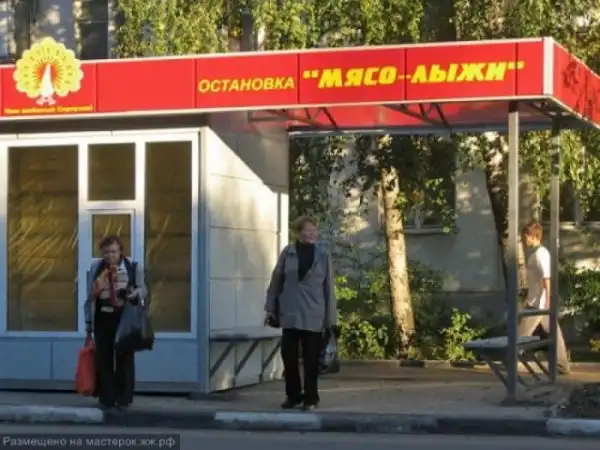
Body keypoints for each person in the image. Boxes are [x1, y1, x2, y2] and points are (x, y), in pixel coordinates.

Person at [264, 215, 337, 411]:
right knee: (289, 357)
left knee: (311, 359)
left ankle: (311, 398)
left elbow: (329, 288)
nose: (312, 233)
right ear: (299, 232)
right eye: (308, 230)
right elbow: (276, 281)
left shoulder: (323, 255)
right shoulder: (288, 253)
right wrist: (270, 308)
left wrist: (331, 319)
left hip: (314, 314)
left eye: (314, 230)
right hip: (290, 313)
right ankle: (293, 396)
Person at [84, 235, 147, 410]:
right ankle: (106, 398)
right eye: (106, 252)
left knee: (124, 358)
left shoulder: (133, 267)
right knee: (103, 358)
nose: (110, 255)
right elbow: (89, 296)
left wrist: (135, 294)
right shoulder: (97, 267)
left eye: (113, 252)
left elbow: (143, 289)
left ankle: (123, 399)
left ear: (120, 252)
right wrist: (88, 324)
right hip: (102, 317)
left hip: (123, 317)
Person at [520, 220, 570, 375]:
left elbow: (547, 278)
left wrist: (548, 300)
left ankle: (509, 361)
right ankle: (562, 365)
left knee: (521, 334)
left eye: (525, 236)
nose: (524, 240)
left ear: (534, 236)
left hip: (539, 304)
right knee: (554, 333)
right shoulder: (535, 253)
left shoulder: (541, 254)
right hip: (536, 301)